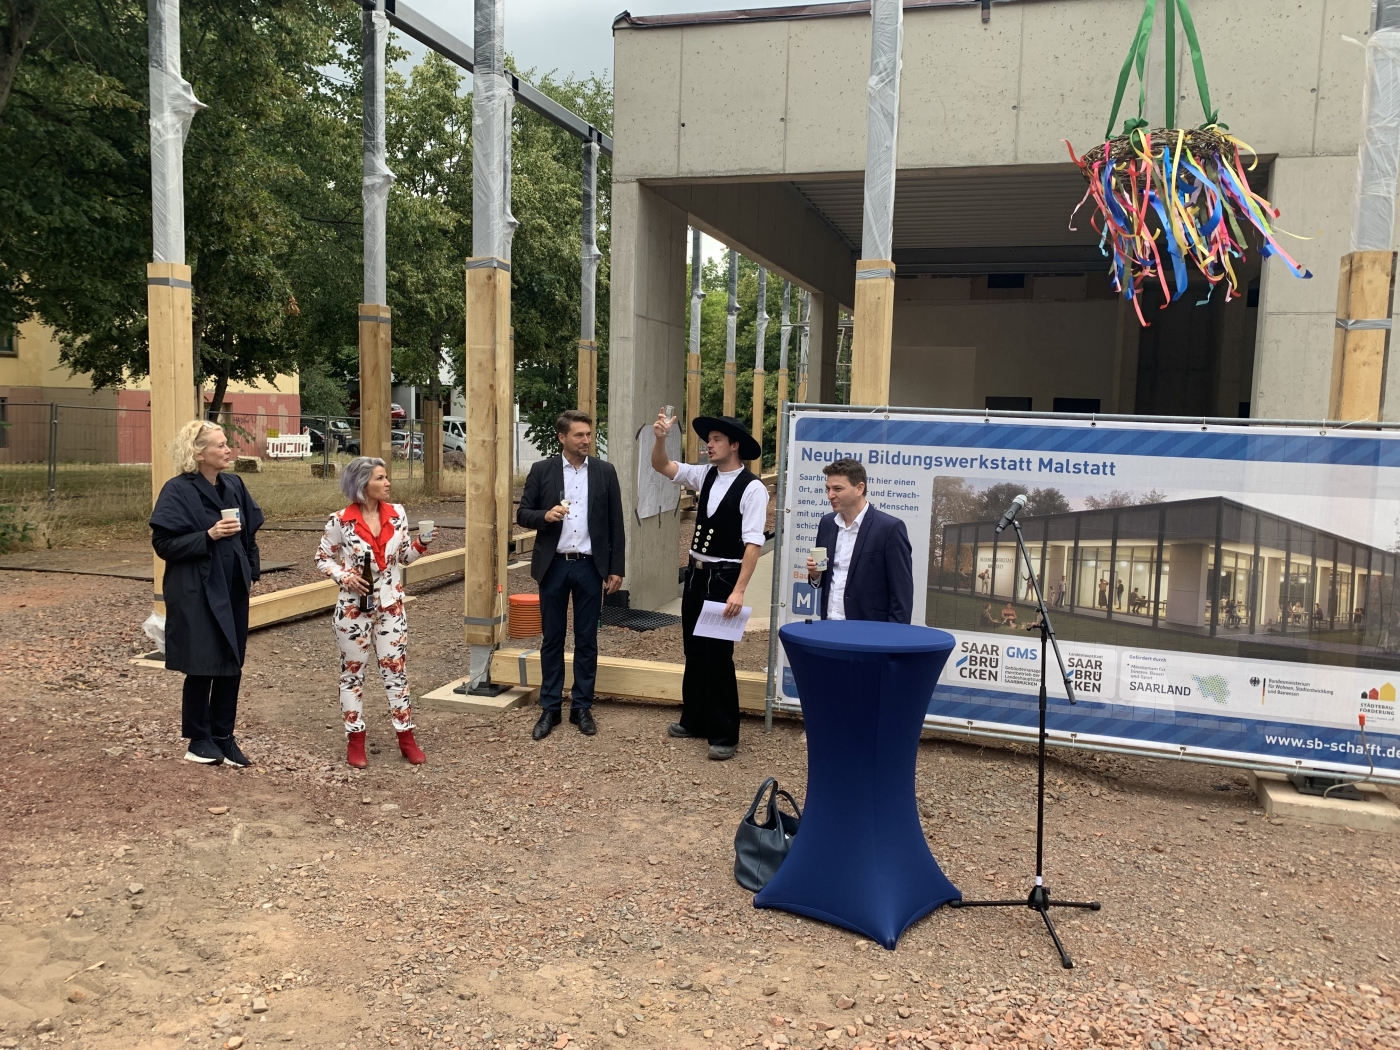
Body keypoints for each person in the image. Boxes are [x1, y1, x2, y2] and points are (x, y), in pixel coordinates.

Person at [652, 411, 768, 761]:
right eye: (709, 439)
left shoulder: (753, 488)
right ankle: (695, 719)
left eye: (716, 439)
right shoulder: (705, 474)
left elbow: (753, 544)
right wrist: (660, 439)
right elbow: (662, 466)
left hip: (724, 578)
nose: (709, 445)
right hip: (696, 576)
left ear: (734, 445)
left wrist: (739, 590)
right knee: (694, 651)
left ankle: (724, 733)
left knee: (718, 656)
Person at [150, 419, 264, 767]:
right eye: (220, 445)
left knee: (231, 658)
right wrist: (209, 535)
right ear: (198, 454)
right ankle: (199, 740)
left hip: (231, 585)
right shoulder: (177, 490)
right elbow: (164, 544)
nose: (228, 450)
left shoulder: (234, 484)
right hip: (195, 587)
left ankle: (224, 737)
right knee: (202, 661)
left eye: (226, 443)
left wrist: (250, 571)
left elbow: (250, 533)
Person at [516, 409, 625, 740]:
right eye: (579, 435)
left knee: (586, 638)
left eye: (589, 434)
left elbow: (616, 523)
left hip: (590, 566)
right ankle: (550, 707)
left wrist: (616, 568)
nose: (586, 440)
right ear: (562, 437)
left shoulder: (605, 472)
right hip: (554, 565)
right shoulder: (542, 470)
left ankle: (581, 707)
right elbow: (523, 513)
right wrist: (545, 516)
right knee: (552, 638)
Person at [315, 457, 431, 768]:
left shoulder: (397, 514)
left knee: (396, 670)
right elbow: (322, 558)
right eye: (380, 478)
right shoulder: (340, 521)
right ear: (362, 483)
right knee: (353, 673)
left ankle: (406, 738)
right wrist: (345, 577)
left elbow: (404, 557)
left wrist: (421, 544)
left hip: (391, 606)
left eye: (386, 477)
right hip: (353, 609)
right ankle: (355, 740)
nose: (387, 483)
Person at [805, 458, 913, 623]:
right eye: (828, 489)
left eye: (837, 489)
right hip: (829, 625)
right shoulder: (827, 524)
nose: (830, 495)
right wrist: (815, 575)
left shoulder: (889, 529)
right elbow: (823, 581)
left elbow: (902, 593)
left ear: (859, 488)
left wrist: (895, 636)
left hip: (869, 630)